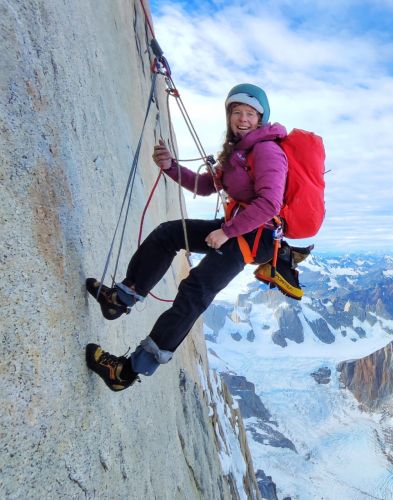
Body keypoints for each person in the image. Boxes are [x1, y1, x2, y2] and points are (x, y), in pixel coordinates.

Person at [85, 83, 287, 391]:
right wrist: (170, 167)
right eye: (236, 112)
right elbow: (207, 185)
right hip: (238, 228)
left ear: (260, 119)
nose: (242, 119)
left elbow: (270, 203)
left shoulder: (266, 150)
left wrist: (226, 231)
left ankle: (125, 372)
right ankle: (120, 299)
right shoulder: (240, 152)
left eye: (249, 113)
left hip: (251, 237)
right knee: (168, 234)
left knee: (194, 292)